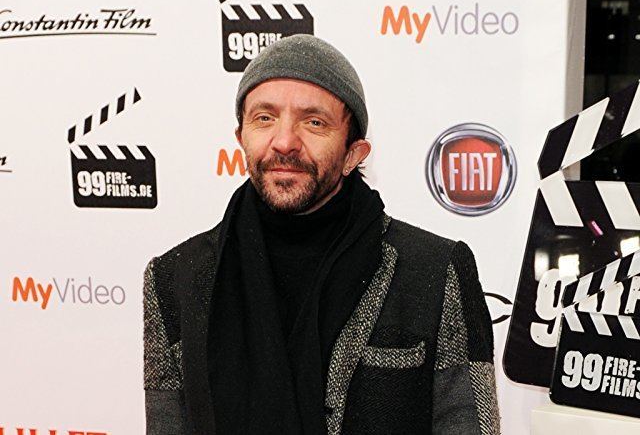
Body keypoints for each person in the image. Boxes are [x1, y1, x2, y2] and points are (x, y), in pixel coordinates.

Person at [143, 34, 500, 435]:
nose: (284, 142)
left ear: (353, 154)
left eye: (314, 122)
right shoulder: (175, 278)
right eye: (264, 118)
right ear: (241, 137)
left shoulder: (434, 271)